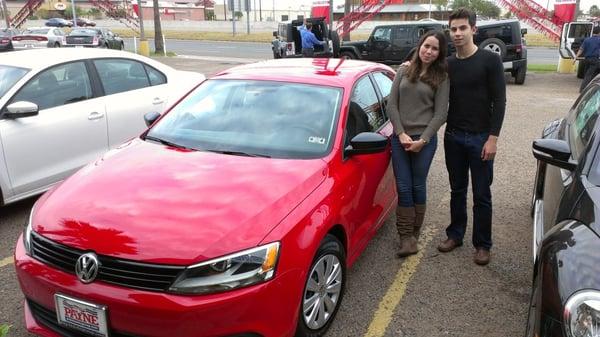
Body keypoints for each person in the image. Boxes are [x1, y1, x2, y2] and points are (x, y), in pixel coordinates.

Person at [436, 8, 506, 266]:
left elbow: (500, 101)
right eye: (453, 29)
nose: (457, 33)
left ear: (473, 29)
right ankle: (455, 235)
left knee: (481, 194)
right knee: (457, 190)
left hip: (480, 139)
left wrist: (493, 139)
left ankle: (482, 244)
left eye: (462, 28)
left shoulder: (490, 61)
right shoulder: (448, 64)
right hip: (453, 137)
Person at [387, 30, 450, 258]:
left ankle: (414, 232)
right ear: (420, 45)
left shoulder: (441, 78)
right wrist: (401, 134)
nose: (429, 51)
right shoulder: (403, 70)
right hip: (400, 139)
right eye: (427, 46)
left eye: (435, 49)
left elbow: (441, 113)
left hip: (425, 140)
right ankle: (406, 239)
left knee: (417, 185)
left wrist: (422, 140)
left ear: (439, 53)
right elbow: (391, 105)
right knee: (403, 187)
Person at [575, 26, 600, 92]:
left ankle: (588, 88)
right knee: (590, 75)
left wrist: (576, 57)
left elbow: (581, 49)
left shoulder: (587, 40)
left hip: (586, 59)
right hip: (595, 60)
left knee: (587, 74)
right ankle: (583, 90)